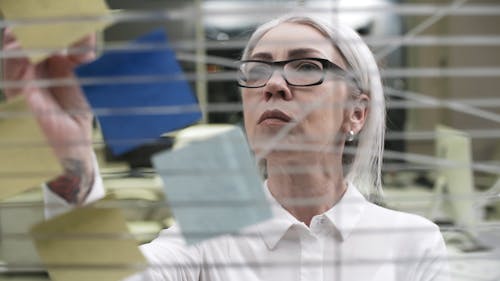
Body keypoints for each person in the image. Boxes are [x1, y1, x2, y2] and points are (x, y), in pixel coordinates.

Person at [2, 13, 449, 281]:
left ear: (356, 112)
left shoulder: (412, 242)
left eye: (306, 66)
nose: (273, 84)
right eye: (257, 71)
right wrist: (71, 159)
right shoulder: (211, 223)